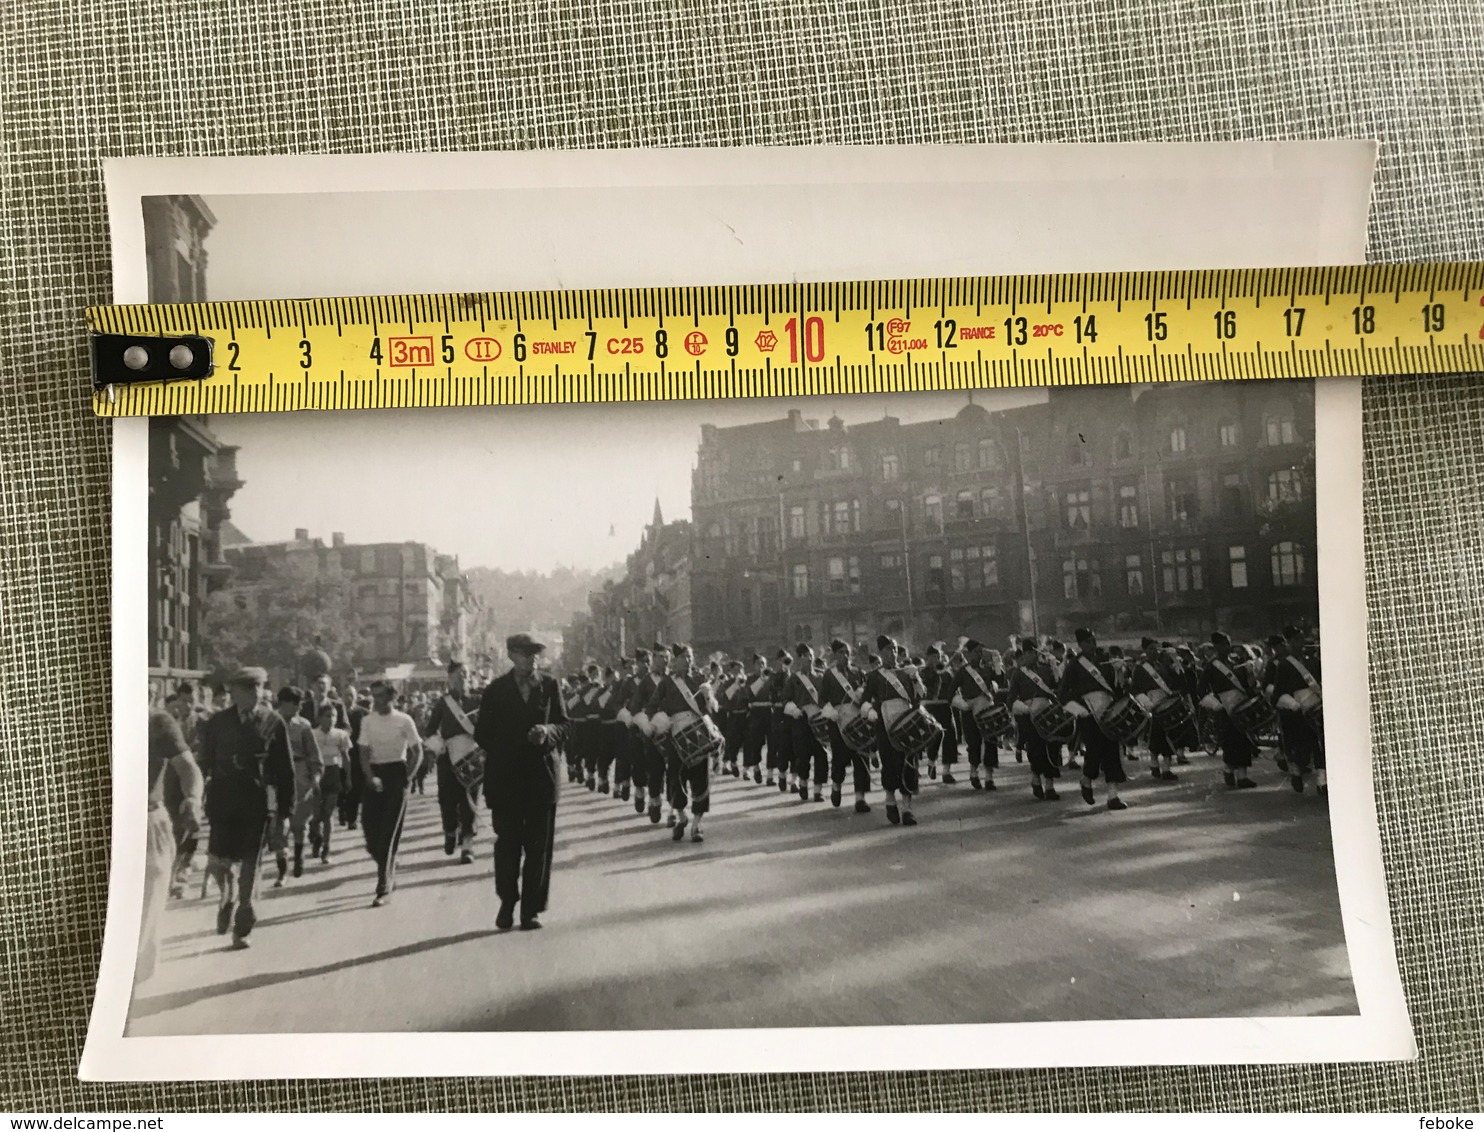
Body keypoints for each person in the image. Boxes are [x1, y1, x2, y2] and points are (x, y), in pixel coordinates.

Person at [473, 633, 570, 930]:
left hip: (542, 778)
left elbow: (565, 725)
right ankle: (507, 902)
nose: (533, 659)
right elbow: (482, 735)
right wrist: (517, 740)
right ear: (512, 655)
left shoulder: (550, 686)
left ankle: (530, 910)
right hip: (507, 780)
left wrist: (547, 732)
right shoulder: (495, 691)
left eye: (536, 654)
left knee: (539, 848)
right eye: (526, 653)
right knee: (508, 846)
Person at [198, 667, 293, 950]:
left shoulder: (272, 722)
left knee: (251, 864)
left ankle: (243, 918)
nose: (255, 694)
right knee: (218, 864)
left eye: (259, 688)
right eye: (248, 689)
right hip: (223, 802)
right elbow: (204, 763)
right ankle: (226, 897)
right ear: (234, 693)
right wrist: (194, 798)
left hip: (256, 802)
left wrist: (285, 813)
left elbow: (285, 771)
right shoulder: (217, 723)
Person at [140, 704, 203, 983]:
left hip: (146, 825)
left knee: (142, 928)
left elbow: (189, 769)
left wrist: (192, 798)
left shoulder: (156, 722)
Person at [644, 642, 719, 842]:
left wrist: (708, 696)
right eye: (684, 657)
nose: (688, 660)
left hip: (698, 733)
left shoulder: (699, 679)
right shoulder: (667, 683)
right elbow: (651, 708)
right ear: (675, 661)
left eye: (689, 657)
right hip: (675, 736)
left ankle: (696, 824)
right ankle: (681, 815)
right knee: (675, 778)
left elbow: (709, 708)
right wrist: (662, 721)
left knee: (700, 777)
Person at [357, 680, 422, 906]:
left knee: (388, 833)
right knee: (370, 833)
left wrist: (409, 777)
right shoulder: (367, 721)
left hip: (397, 774)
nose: (376, 700)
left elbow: (417, 751)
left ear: (392, 697)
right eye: (374, 696)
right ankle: (389, 865)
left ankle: (383, 888)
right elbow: (363, 753)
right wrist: (369, 776)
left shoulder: (404, 720)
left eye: (381, 696)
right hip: (375, 773)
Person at [1057, 628, 1128, 811]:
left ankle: (1113, 796)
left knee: (1112, 750)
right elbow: (1063, 693)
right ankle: (1086, 780)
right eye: (1088, 642)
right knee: (1094, 752)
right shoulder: (1074, 665)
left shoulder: (1105, 660)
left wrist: (1120, 672)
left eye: (1094, 640)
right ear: (1080, 644)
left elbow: (1116, 689)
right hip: (1088, 712)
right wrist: (1078, 710)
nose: (1093, 645)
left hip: (1108, 710)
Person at [861, 634, 927, 826]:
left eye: (896, 649)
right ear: (881, 653)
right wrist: (869, 710)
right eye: (889, 649)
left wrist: (916, 679)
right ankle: (890, 801)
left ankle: (907, 809)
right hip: (884, 723)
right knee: (889, 763)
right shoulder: (874, 676)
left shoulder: (906, 672)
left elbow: (919, 697)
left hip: (906, 722)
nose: (894, 653)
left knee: (909, 762)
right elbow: (864, 700)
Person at [423, 660, 483, 863]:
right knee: (447, 800)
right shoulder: (443, 703)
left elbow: (488, 726)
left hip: (471, 757)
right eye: (459, 675)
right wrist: (439, 746)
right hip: (448, 758)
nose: (463, 678)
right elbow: (429, 731)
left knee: (470, 799)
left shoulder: (477, 700)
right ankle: (450, 830)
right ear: (450, 678)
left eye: (466, 674)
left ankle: (467, 845)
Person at [273, 686, 324, 882]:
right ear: (284, 703)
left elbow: (313, 755)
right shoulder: (269, 722)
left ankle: (299, 857)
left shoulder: (303, 726)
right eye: (296, 704)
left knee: (299, 823)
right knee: (278, 825)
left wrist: (315, 777)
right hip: (276, 777)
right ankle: (281, 870)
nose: (299, 708)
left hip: (299, 775)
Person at [1265, 633, 1326, 795]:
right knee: (1296, 744)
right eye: (1294, 640)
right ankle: (1296, 773)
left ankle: (1322, 781)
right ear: (1288, 643)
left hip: (1314, 707)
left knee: (1318, 743)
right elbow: (1277, 691)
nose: (1298, 643)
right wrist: (1289, 704)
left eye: (1300, 639)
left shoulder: (1313, 661)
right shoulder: (1283, 665)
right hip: (1293, 711)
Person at [1200, 631, 1261, 789]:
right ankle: (1228, 770)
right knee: (1229, 741)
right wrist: (1215, 704)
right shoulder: (1211, 666)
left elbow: (1245, 684)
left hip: (1240, 705)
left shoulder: (1235, 662)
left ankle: (1243, 777)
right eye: (1223, 644)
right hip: (1224, 708)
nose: (1227, 647)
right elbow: (1201, 689)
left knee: (1243, 740)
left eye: (1228, 643)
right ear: (1216, 646)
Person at [820, 637, 871, 812]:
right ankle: (836, 786)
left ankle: (860, 798)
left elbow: (867, 694)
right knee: (840, 758)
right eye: (841, 652)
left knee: (861, 757)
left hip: (857, 718)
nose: (845, 655)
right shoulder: (829, 675)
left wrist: (862, 695)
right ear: (834, 654)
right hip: (838, 719)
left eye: (847, 652)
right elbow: (822, 700)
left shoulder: (858, 672)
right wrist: (830, 712)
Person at [1007, 644, 1062, 800]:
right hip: (1029, 713)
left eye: (1034, 652)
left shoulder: (1046, 669)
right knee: (1036, 748)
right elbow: (1011, 698)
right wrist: (1023, 708)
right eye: (1028, 653)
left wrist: (1055, 668)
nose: (1032, 655)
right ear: (1024, 655)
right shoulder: (1018, 674)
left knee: (1052, 746)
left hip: (1047, 711)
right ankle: (1036, 779)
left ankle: (1050, 786)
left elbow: (1058, 687)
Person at [952, 639, 1003, 791]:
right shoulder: (963, 671)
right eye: (976, 652)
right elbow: (951, 690)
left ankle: (989, 777)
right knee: (974, 743)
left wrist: (998, 665)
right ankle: (973, 772)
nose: (979, 655)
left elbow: (1001, 680)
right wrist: (961, 703)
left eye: (981, 652)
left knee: (991, 742)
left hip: (987, 710)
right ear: (968, 653)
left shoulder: (987, 668)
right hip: (970, 710)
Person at [1130, 637, 1182, 783]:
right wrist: (1147, 703)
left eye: (1156, 648)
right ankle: (1154, 765)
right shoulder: (1140, 669)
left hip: (1166, 705)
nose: (1154, 651)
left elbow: (1176, 681)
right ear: (1145, 651)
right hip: (1151, 705)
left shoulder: (1163, 665)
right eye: (1151, 648)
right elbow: (1134, 689)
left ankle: (1166, 769)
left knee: (1168, 736)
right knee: (1155, 736)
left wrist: (1175, 660)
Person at [783, 643, 828, 803]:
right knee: (803, 755)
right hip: (801, 719)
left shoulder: (821, 676)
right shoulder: (793, 679)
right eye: (803, 656)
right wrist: (794, 710)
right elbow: (785, 700)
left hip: (819, 719)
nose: (808, 658)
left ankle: (818, 790)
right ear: (798, 659)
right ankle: (802, 782)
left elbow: (826, 698)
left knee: (821, 755)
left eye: (809, 654)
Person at [309, 702, 350, 863]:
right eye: (327, 716)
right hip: (317, 774)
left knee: (328, 813)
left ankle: (327, 847)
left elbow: (346, 758)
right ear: (319, 718)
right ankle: (316, 837)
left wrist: (348, 777)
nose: (331, 719)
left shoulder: (341, 734)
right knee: (316, 814)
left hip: (333, 773)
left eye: (334, 716)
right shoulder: (312, 734)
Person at [766, 650, 794, 791]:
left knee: (795, 746)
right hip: (779, 713)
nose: (785, 663)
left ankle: (794, 780)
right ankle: (782, 775)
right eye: (782, 660)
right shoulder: (773, 677)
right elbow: (775, 692)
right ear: (777, 661)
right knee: (783, 746)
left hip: (792, 714)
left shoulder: (793, 676)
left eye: (787, 660)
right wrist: (783, 674)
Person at [742, 652, 771, 785]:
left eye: (764, 663)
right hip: (756, 712)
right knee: (757, 743)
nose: (762, 666)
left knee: (772, 743)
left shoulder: (769, 677)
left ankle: (770, 774)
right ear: (754, 665)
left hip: (768, 712)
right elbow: (751, 692)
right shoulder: (750, 678)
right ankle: (756, 767)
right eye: (759, 664)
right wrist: (762, 679)